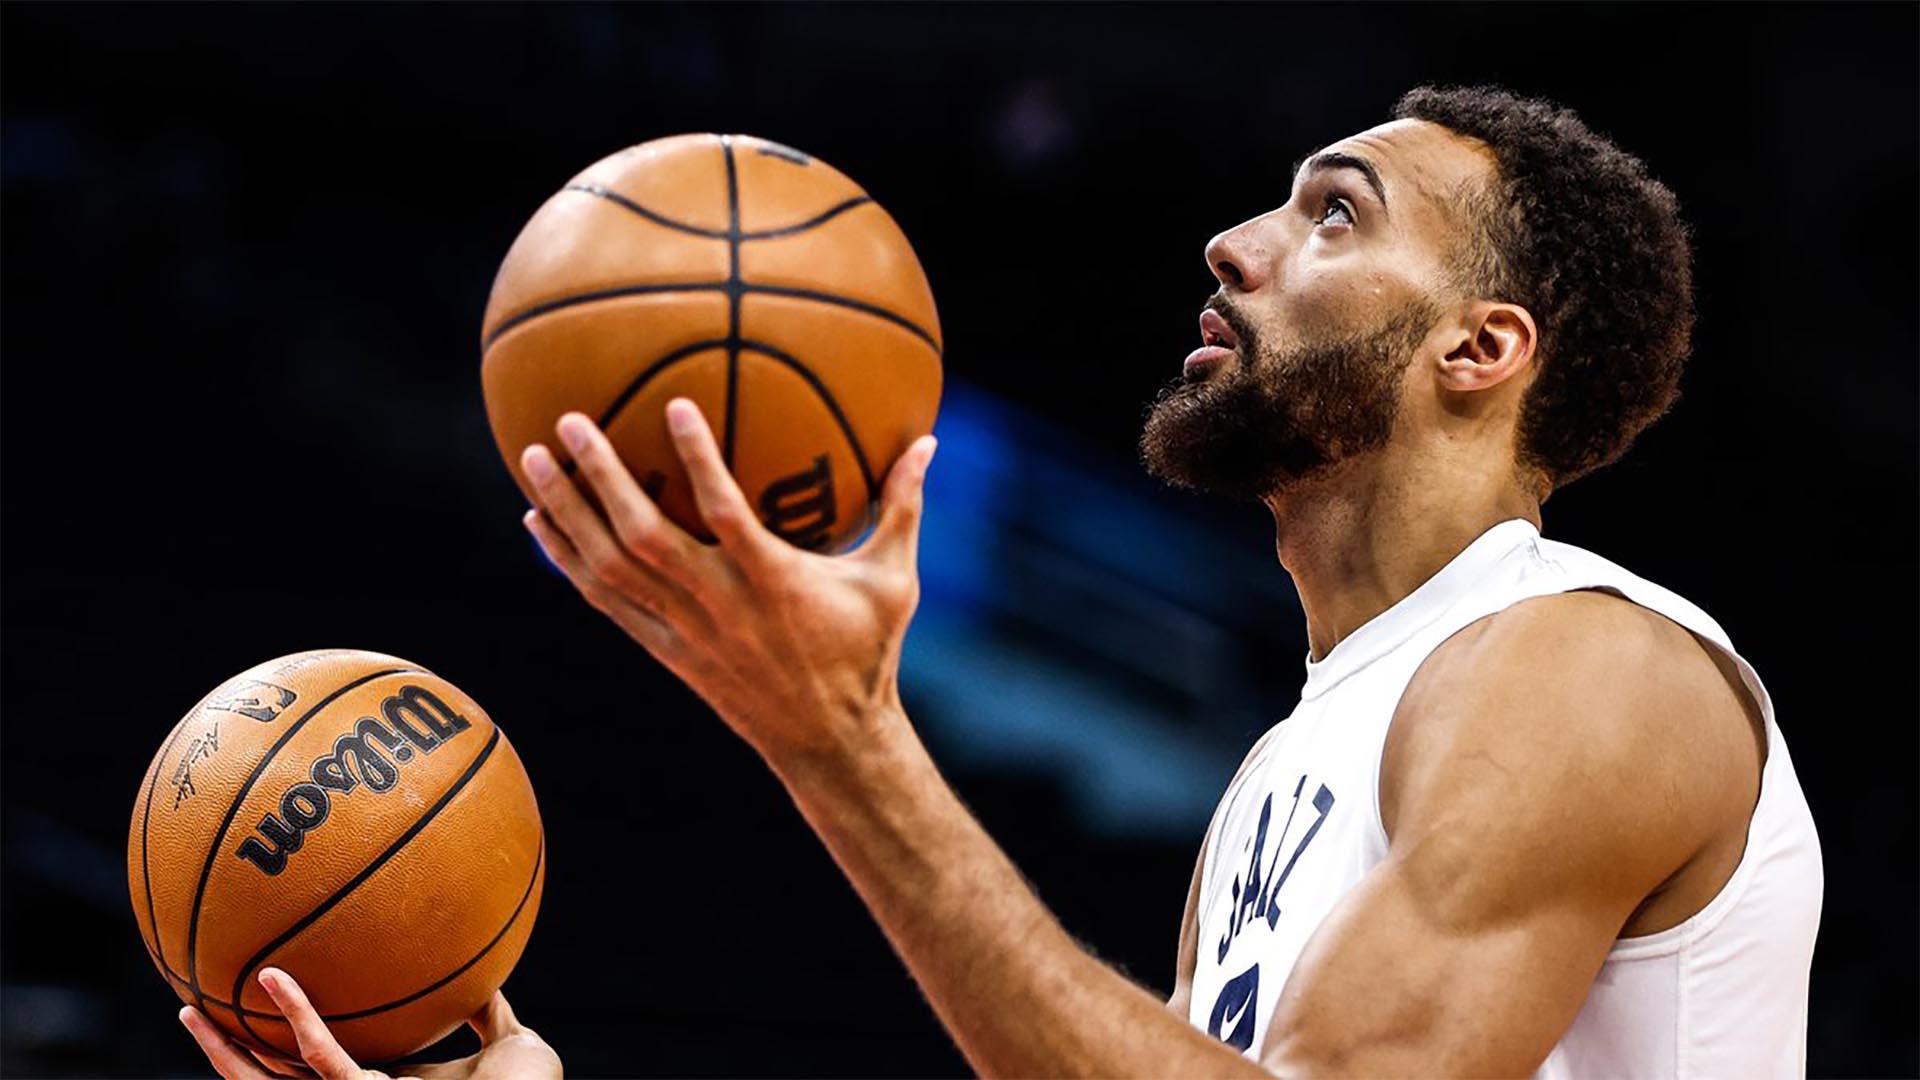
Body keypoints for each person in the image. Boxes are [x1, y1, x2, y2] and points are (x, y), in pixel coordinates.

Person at [185, 84, 1823, 1078]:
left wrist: (843, 743)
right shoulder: (1280, 778)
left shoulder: (1591, 666)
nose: (1236, 243)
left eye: (1335, 213)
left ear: (1482, 349)